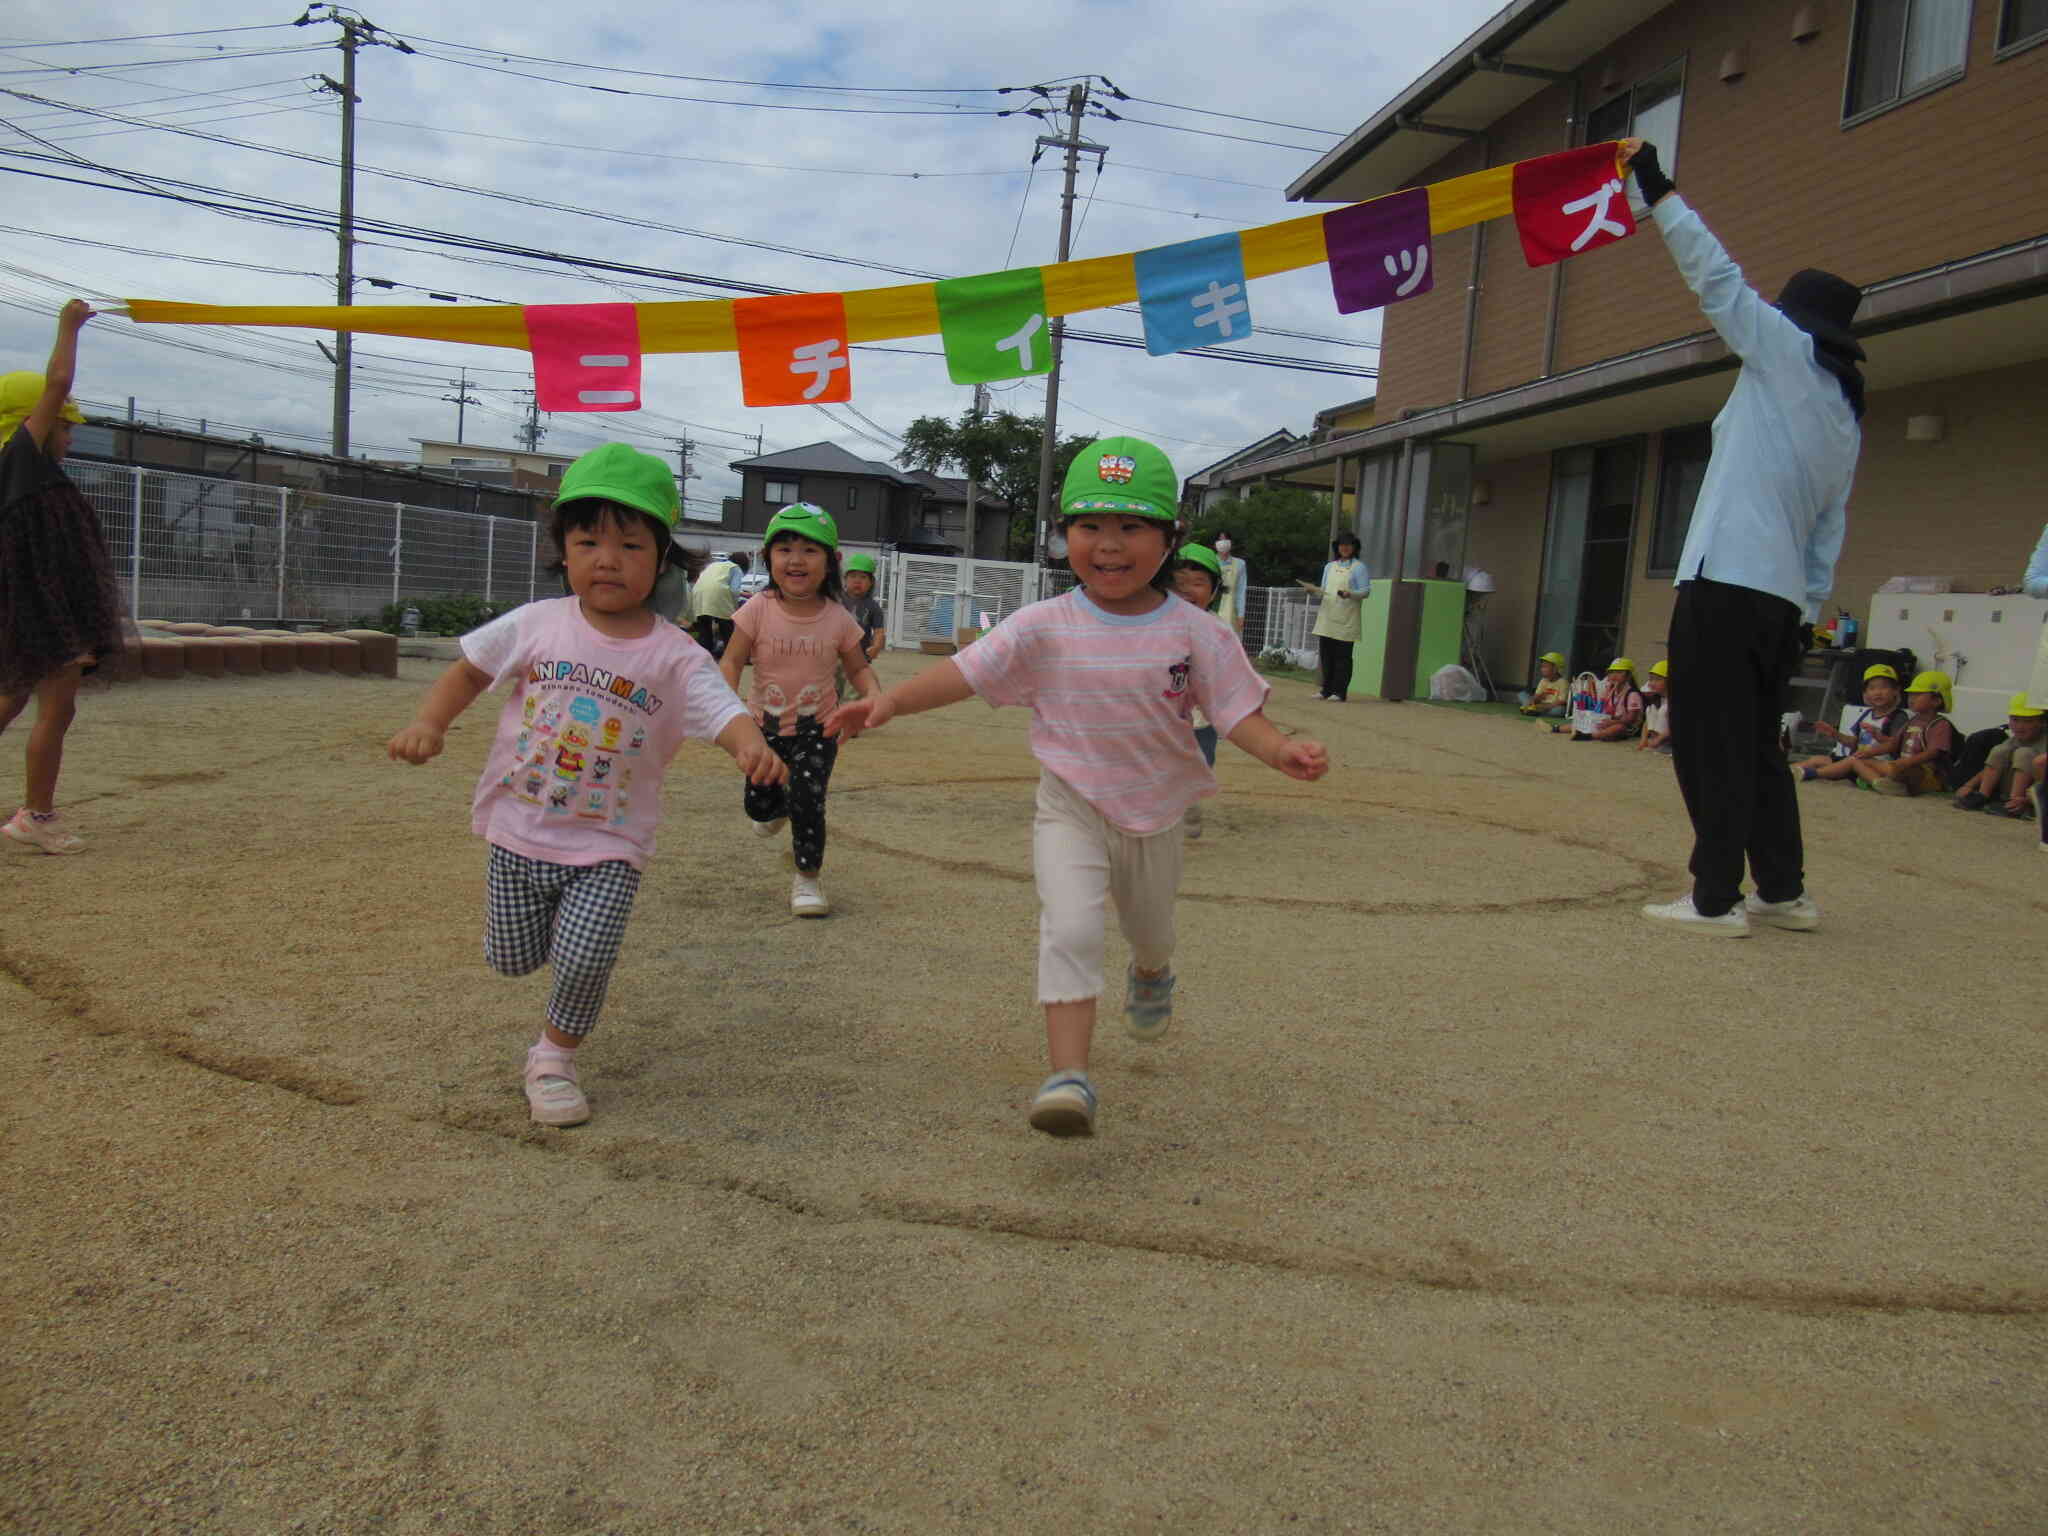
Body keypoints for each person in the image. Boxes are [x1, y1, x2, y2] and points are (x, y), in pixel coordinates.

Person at [827, 437, 1328, 1138]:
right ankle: (1069, 1075)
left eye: (1131, 527)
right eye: (1090, 526)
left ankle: (1152, 972)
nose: (1109, 545)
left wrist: (1281, 750)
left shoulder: (1196, 632)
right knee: (1070, 926)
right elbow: (966, 672)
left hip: (1154, 816)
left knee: (1150, 931)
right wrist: (887, 703)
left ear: (1170, 538)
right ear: (1065, 536)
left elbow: (1236, 710)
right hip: (1069, 807)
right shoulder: (1044, 624)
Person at [386, 443, 784, 1128]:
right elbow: (469, 671)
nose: (608, 558)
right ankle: (544, 983)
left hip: (610, 840)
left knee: (585, 957)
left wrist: (750, 746)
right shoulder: (537, 624)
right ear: (563, 553)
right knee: (512, 959)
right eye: (588, 540)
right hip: (520, 826)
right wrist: (430, 724)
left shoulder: (673, 652)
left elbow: (721, 708)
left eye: (630, 544)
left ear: (660, 559)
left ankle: (553, 1058)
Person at [1623, 140, 1862, 937]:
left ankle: (1715, 896)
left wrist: (1658, 192)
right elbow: (1828, 535)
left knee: (1707, 742)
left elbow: (1716, 279)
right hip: (1778, 599)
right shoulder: (1843, 415)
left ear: (1796, 323)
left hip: (1727, 582)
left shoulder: (1783, 355)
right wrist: (1806, 613)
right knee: (1756, 746)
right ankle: (1782, 890)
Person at [0, 300, 126, 857]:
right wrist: (69, 327)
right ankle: (37, 815)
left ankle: (35, 812)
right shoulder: (20, 459)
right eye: (65, 426)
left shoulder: (23, 470)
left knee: (10, 702)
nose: (70, 437)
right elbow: (57, 379)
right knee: (58, 706)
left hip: (32, 605)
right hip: (42, 611)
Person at [720, 503, 879, 918]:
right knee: (759, 808)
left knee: (809, 798)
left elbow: (859, 668)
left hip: (818, 730)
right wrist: (723, 702)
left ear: (830, 562)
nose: (796, 559)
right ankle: (773, 809)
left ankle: (807, 879)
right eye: (785, 548)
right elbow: (732, 660)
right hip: (761, 729)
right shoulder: (756, 608)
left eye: (810, 550)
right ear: (768, 556)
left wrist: (872, 698)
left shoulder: (839, 619)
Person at [1170, 543, 1233, 839]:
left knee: (1200, 761)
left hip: (1201, 715)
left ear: (1215, 590)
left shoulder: (1217, 630)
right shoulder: (1152, 623)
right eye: (1179, 583)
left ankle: (1189, 803)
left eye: (1198, 583)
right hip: (1161, 710)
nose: (1188, 590)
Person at [1849, 670, 1957, 797]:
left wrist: (1907, 762)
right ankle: (1879, 782)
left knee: (1901, 771)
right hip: (1902, 766)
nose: (1911, 699)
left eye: (1917, 695)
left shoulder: (1940, 724)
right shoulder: (1912, 721)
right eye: (1910, 695)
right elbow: (1893, 744)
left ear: (1936, 701)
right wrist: (1869, 752)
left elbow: (1933, 752)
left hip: (1928, 773)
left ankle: (1890, 784)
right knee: (1860, 761)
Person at [1792, 663, 1905, 784]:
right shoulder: (1866, 715)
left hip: (1878, 765)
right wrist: (1834, 733)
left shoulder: (1897, 717)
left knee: (1851, 761)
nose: (1878, 692)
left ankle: (1810, 774)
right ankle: (1785, 772)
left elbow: (1897, 745)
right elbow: (1854, 743)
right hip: (1857, 760)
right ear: (1865, 693)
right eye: (1872, 688)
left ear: (1895, 691)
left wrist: (1879, 736)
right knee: (1817, 759)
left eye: (1884, 687)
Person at [1952, 693, 2045, 817]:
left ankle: (2014, 805)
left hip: (2034, 794)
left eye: (2028, 721)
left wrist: (2029, 799)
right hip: (2006, 790)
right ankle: (1982, 796)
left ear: (2043, 722)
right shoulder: (2014, 740)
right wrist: (1969, 785)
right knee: (2000, 751)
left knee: (2024, 753)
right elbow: (1990, 766)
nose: (2020, 726)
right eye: (2015, 720)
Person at [1309, 530, 1371, 702]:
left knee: (1342, 657)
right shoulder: (1329, 567)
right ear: (1337, 547)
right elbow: (1323, 590)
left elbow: (1366, 591)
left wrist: (1350, 594)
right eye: (1341, 545)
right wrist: (1312, 591)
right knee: (1326, 655)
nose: (1344, 548)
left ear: (1354, 547)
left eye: (1348, 545)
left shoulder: (1359, 568)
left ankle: (1340, 691)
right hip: (1327, 616)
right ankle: (1325, 690)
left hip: (1347, 618)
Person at [690, 550, 749, 658]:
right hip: (718, 595)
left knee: (704, 629)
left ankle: (704, 656)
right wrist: (734, 609)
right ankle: (731, 655)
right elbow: (734, 591)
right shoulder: (736, 568)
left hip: (698, 593)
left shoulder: (714, 565)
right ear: (744, 564)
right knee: (726, 628)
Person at [839, 551, 887, 665]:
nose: (857, 580)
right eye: (853, 576)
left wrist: (876, 647)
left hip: (861, 657)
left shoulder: (873, 607)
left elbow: (878, 632)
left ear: (871, 582)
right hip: (835, 654)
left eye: (863, 577)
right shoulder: (836, 601)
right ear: (845, 579)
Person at [1580, 659, 1644, 742]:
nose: (1614, 676)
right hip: (1612, 721)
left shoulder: (1632, 694)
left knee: (1618, 727)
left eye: (1619, 672)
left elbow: (1631, 719)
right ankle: (1558, 728)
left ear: (1628, 676)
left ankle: (1591, 735)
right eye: (1611, 672)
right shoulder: (1611, 691)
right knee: (1588, 721)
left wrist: (1612, 722)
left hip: (1628, 727)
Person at [1211, 529, 1248, 638]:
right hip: (1212, 609)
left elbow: (1241, 591)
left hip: (1231, 611)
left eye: (1226, 539)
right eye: (1220, 539)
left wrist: (1241, 615)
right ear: (1214, 544)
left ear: (1231, 543)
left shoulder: (1240, 564)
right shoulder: (1211, 561)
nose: (1223, 542)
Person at [1638, 660, 1673, 754]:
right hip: (1657, 741)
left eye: (1657, 679)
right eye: (1650, 679)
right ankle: (1657, 742)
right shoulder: (1656, 699)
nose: (1652, 683)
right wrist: (1643, 740)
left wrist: (1659, 739)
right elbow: (1646, 723)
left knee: (1664, 709)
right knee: (1650, 709)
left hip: (1667, 741)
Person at [1518, 651, 1569, 717]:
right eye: (1542, 667)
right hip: (1540, 704)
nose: (1542, 669)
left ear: (1555, 669)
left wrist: (1545, 707)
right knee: (1522, 694)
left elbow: (1562, 701)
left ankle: (1533, 711)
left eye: (1545, 667)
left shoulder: (1563, 682)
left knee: (1560, 710)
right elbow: (1537, 696)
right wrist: (1533, 700)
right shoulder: (1543, 680)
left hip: (1552, 706)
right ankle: (1531, 709)